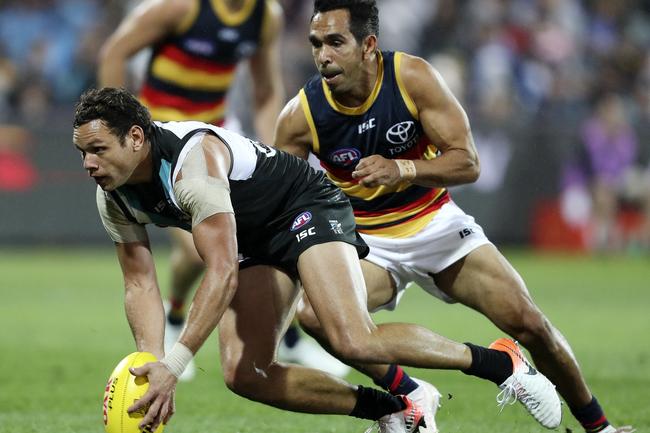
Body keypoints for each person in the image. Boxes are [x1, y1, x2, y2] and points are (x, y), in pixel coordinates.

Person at [73, 87, 562, 433]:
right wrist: (152, 366)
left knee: (351, 336)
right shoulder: (112, 193)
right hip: (252, 239)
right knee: (247, 375)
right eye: (82, 153)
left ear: (136, 138)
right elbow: (139, 285)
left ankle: (500, 363)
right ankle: (394, 408)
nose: (88, 164)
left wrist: (177, 362)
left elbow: (219, 272)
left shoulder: (192, 163)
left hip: (305, 206)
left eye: (97, 150)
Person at [273, 1, 634, 433]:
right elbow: (287, 203)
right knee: (314, 314)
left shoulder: (412, 78)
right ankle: (410, 394)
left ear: (368, 45)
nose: (323, 56)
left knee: (529, 322)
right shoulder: (300, 116)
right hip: (366, 242)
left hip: (436, 224)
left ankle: (600, 428)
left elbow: (468, 163)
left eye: (335, 42)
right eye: (316, 44)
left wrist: (402, 169)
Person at [97, 0, 347, 379]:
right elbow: (115, 51)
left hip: (213, 138)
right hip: (159, 140)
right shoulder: (179, 8)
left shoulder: (265, 16)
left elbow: (265, 90)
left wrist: (279, 157)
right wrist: (117, 131)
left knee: (251, 238)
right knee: (204, 252)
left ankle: (285, 338)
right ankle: (178, 313)